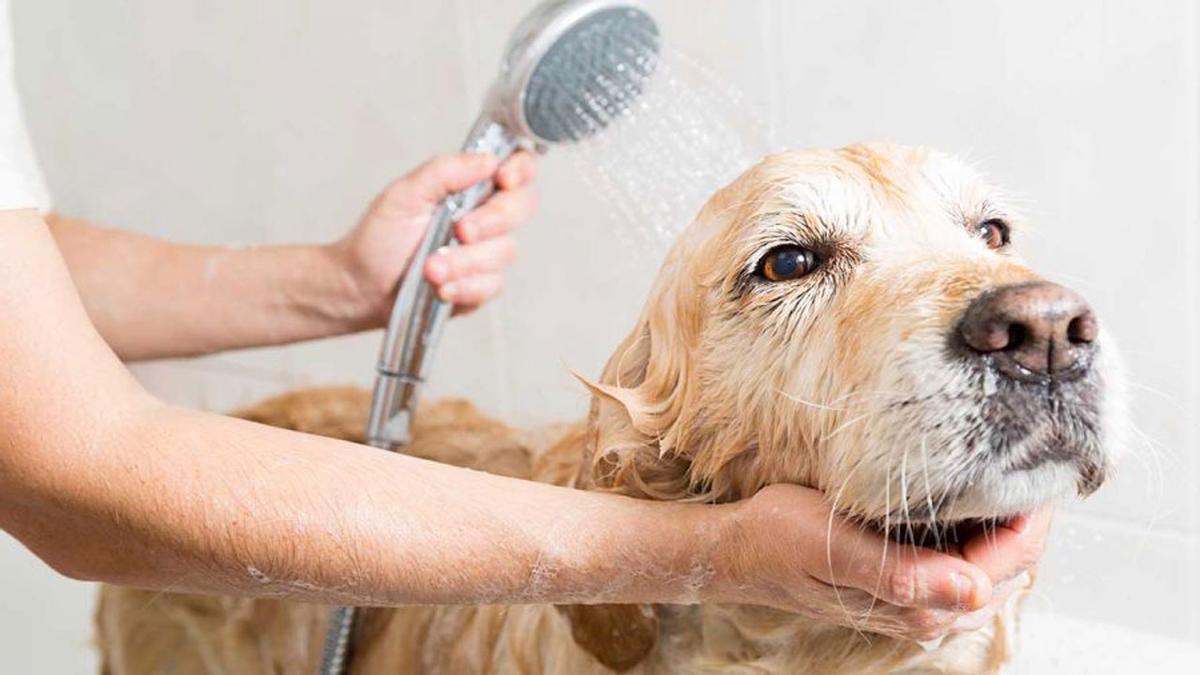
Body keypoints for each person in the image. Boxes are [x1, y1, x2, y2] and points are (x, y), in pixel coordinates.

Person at [0, 0, 1047, 643]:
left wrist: (332, 281)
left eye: (988, 230)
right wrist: (704, 555)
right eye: (792, 263)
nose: (1026, 315)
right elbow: (69, 476)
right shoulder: (663, 515)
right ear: (661, 450)